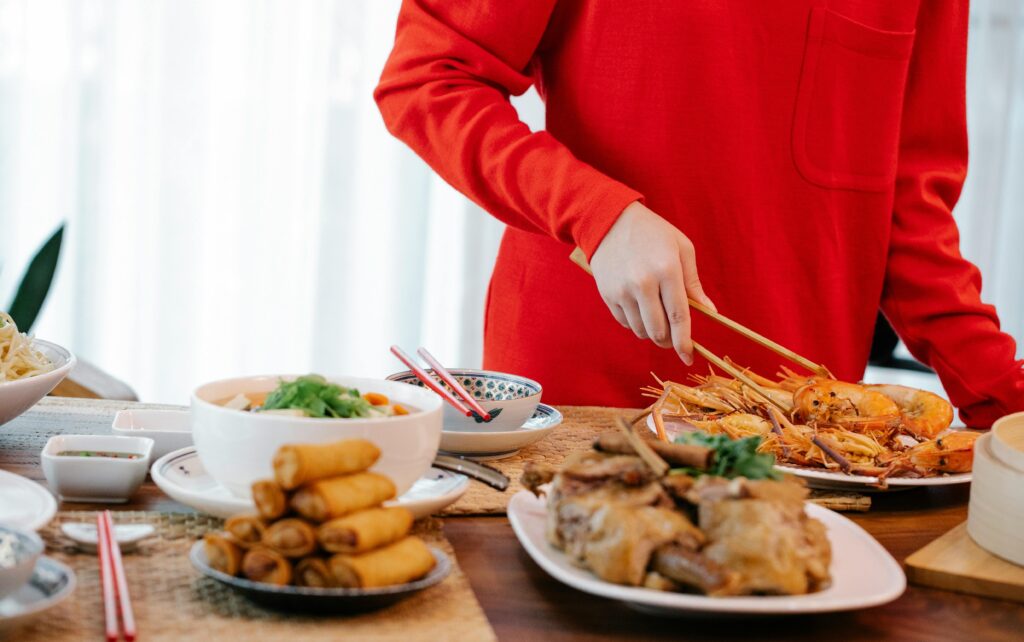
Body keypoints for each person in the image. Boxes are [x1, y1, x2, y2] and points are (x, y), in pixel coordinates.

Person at [374, 1, 1023, 428]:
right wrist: (596, 214)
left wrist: (1005, 400)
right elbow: (428, 78)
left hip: (801, 446)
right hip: (573, 415)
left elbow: (908, 206)